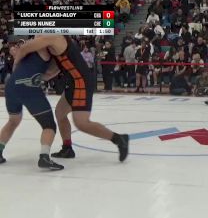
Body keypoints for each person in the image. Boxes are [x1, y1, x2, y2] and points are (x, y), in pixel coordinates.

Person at [13, 36, 129, 162]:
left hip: (81, 82)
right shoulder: (52, 45)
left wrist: (16, 68)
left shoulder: (53, 38)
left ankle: (119, 139)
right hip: (73, 82)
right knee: (60, 113)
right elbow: (52, 72)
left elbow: (24, 49)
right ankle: (67, 148)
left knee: (82, 123)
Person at [0, 39, 63, 170]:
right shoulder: (45, 47)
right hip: (27, 85)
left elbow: (22, 52)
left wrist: (17, 68)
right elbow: (48, 75)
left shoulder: (33, 47)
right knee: (48, 125)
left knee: (13, 121)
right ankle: (44, 157)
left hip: (11, 85)